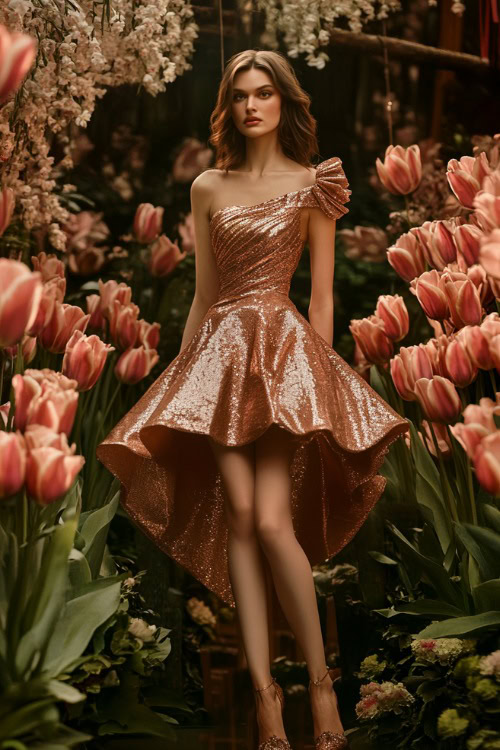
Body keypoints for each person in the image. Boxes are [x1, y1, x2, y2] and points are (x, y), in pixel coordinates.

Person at [96, 49, 409, 750]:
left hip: (285, 358)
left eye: (264, 93)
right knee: (240, 514)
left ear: (283, 102)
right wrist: (184, 380)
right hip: (218, 358)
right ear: (229, 106)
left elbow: (322, 296)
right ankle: (267, 704)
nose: (251, 105)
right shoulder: (207, 185)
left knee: (271, 522)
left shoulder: (314, 183)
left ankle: (322, 689)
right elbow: (206, 294)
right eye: (240, 95)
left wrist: (321, 384)